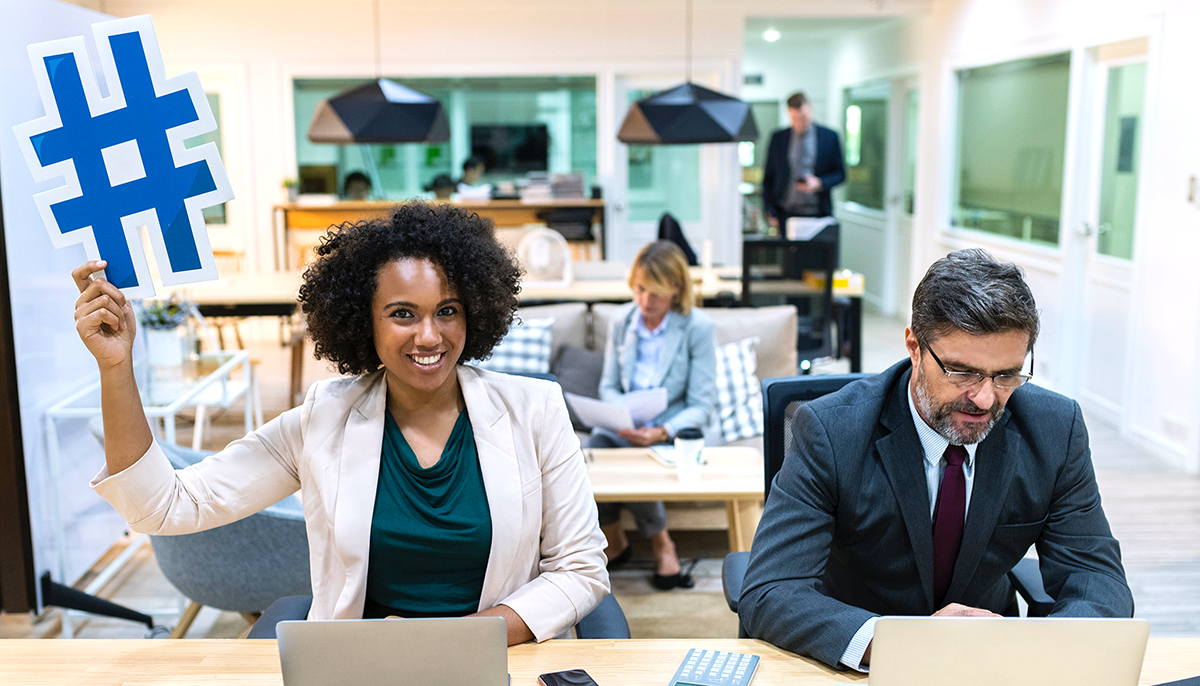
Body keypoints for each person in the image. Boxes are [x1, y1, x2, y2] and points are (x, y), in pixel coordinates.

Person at [74, 202, 609, 643]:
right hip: (363, 665)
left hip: (499, 660)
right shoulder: (323, 419)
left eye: (447, 311)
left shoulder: (535, 409)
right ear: (363, 322)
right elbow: (162, 507)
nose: (429, 335)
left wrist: (459, 638)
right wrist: (116, 366)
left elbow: (581, 570)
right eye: (403, 314)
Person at [739, 248, 1133, 671]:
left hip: (989, 660)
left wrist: (1039, 650)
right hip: (862, 664)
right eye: (962, 372)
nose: (985, 399)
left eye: (1006, 375)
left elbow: (1099, 579)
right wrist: (904, 645)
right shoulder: (831, 431)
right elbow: (772, 590)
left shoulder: (1055, 430)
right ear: (914, 347)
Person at [587, 241, 717, 590]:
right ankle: (613, 536)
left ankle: (662, 544)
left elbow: (701, 407)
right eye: (640, 289)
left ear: (676, 288)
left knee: (633, 453)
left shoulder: (697, 327)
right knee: (590, 453)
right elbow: (609, 386)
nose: (645, 302)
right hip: (629, 425)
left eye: (655, 293)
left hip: (675, 428)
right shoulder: (622, 320)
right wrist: (621, 415)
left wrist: (659, 431)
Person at [761, 92, 846, 235]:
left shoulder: (829, 137)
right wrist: (769, 209)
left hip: (818, 214)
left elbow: (840, 174)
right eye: (795, 118)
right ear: (789, 114)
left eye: (803, 117)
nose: (800, 123)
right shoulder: (778, 138)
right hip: (785, 213)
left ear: (810, 110)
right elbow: (768, 177)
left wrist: (819, 183)